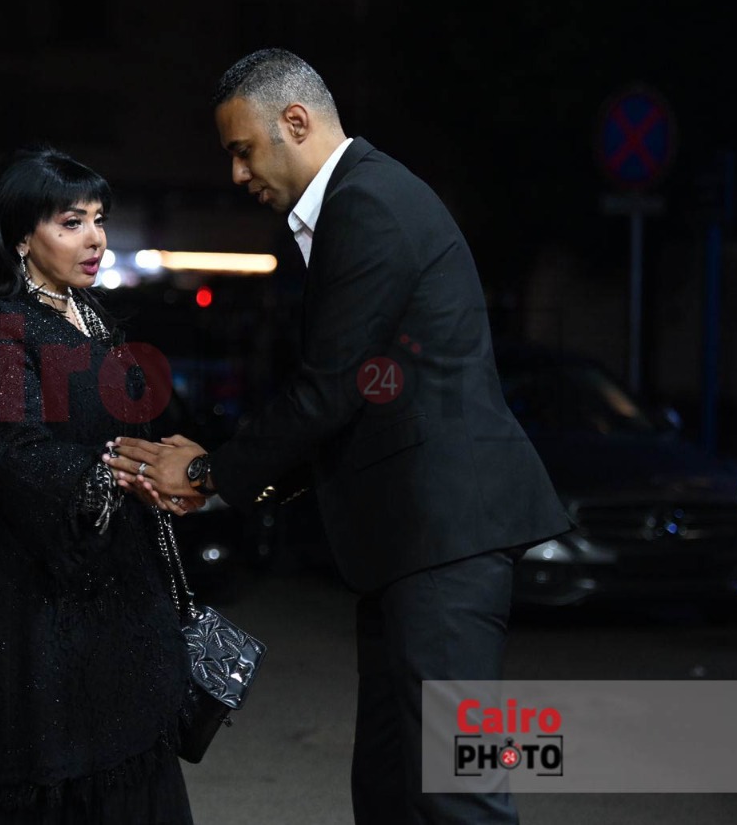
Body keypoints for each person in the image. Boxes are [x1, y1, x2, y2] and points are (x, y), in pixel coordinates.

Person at [104, 48, 572, 824]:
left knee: (458, 794)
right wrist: (223, 476)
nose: (235, 175)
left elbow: (327, 389)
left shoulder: (369, 204)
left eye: (242, 150)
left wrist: (211, 472)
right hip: (411, 543)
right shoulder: (362, 201)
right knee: (391, 791)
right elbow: (360, 395)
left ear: (295, 121)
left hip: (444, 537)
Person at [0, 146, 199, 825]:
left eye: (98, 218)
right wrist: (116, 471)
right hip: (38, 596)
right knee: (57, 777)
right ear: (19, 237)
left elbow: (125, 426)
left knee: (127, 769)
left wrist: (157, 469)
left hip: (118, 588)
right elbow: (14, 452)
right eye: (71, 222)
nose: (95, 238)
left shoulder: (91, 313)